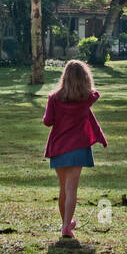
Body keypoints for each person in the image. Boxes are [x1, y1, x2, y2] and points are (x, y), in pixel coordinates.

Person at [42, 59, 107, 238]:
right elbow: (96, 93)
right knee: (72, 189)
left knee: (63, 188)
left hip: (58, 147)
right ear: (85, 78)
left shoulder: (54, 98)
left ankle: (66, 224)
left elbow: (48, 121)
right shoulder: (87, 99)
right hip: (78, 148)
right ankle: (66, 226)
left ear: (64, 77)